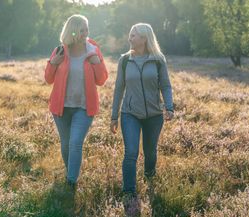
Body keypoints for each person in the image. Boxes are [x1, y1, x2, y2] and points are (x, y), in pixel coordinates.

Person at [44, 14, 108, 189]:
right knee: (66, 145)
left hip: (84, 107)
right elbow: (48, 79)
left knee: (75, 143)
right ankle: (70, 171)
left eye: (87, 29)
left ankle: (71, 182)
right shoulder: (60, 51)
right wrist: (53, 63)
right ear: (72, 31)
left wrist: (97, 62)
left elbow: (102, 80)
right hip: (61, 107)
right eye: (81, 30)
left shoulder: (93, 49)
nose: (85, 33)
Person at [110, 23, 174, 196]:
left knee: (150, 152)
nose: (129, 38)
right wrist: (114, 116)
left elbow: (166, 86)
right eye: (130, 35)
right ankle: (129, 192)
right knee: (131, 152)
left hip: (154, 115)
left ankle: (149, 178)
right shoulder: (124, 60)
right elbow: (119, 89)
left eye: (134, 35)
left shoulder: (158, 59)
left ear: (144, 38)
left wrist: (169, 107)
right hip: (129, 113)